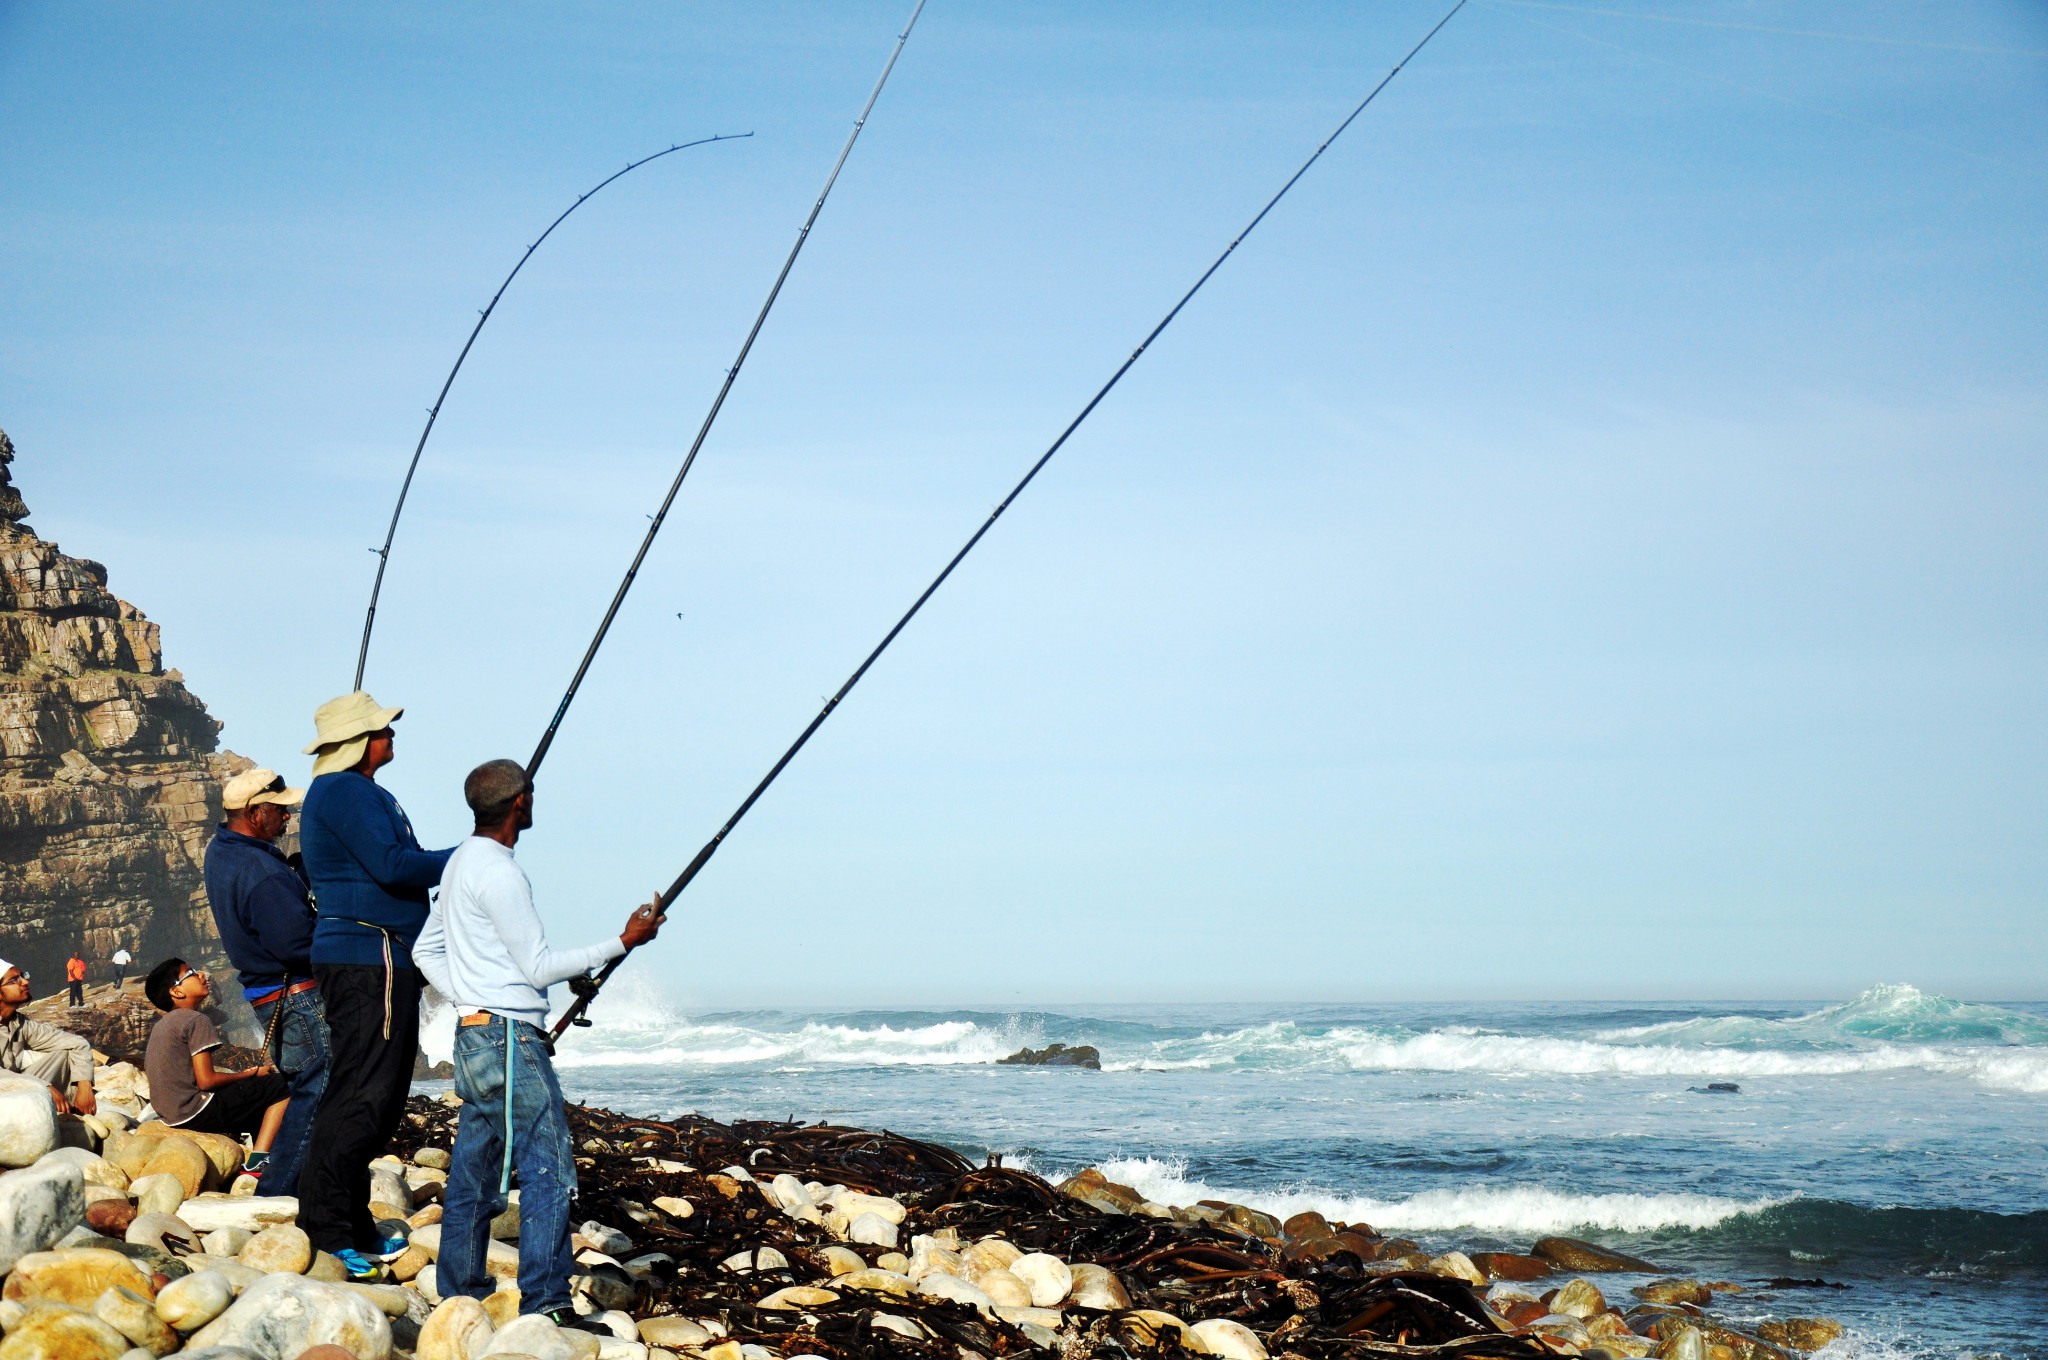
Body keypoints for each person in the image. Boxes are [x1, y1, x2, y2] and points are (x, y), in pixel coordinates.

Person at [413, 759, 663, 1330]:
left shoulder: (458, 865)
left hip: (474, 1038)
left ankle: (462, 1293)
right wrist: (624, 941)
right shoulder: (500, 871)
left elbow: (425, 951)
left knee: (474, 1173)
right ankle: (546, 1301)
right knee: (548, 1166)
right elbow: (539, 966)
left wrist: (470, 999)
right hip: (507, 1040)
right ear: (521, 803)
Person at [296, 691, 454, 1281]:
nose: (393, 736)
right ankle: (329, 1231)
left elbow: (390, 861)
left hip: (377, 957)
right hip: (371, 957)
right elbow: (391, 864)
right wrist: (469, 854)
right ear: (361, 741)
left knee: (370, 1092)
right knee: (365, 1092)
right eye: (385, 730)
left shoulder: (355, 791)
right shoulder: (343, 791)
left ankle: (346, 1219)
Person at [204, 766, 325, 1196]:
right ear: (256, 814)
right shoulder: (263, 872)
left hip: (265, 995)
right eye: (281, 810)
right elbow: (297, 946)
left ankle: (287, 1187)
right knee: (319, 1092)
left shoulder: (220, 851)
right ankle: (279, 1191)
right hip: (296, 996)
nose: (288, 817)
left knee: (302, 1087)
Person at [143, 959, 290, 1160]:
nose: (202, 974)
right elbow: (206, 1081)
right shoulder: (195, 1020)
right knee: (280, 1086)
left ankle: (263, 1159)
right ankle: (259, 1160)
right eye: (191, 973)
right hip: (197, 1111)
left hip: (171, 1115)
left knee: (259, 1102)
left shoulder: (163, 1025)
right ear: (177, 992)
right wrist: (249, 1074)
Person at [0, 960, 97, 1114]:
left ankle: (78, 1107)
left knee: (64, 1054)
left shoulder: (18, 1022)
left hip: (19, 1087)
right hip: (6, 1095)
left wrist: (85, 1085)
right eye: (14, 980)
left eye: (22, 976)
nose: (25, 981)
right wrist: (42, 1085)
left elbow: (77, 1043)